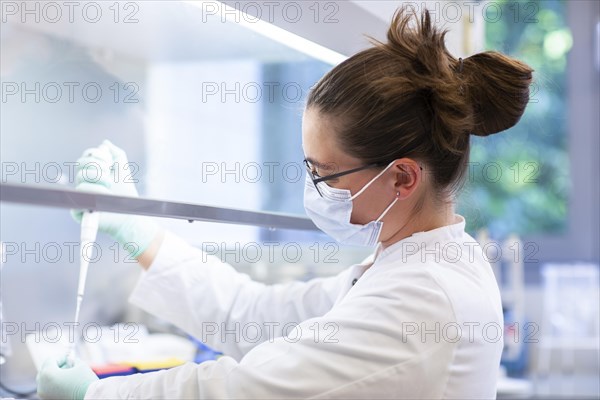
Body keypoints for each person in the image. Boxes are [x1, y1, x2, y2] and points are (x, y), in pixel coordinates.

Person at [37, 8, 533, 399]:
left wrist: (95, 395)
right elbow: (256, 317)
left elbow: (245, 391)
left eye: (325, 174)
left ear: (401, 177)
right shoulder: (408, 266)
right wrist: (137, 230)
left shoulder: (426, 296)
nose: (314, 189)